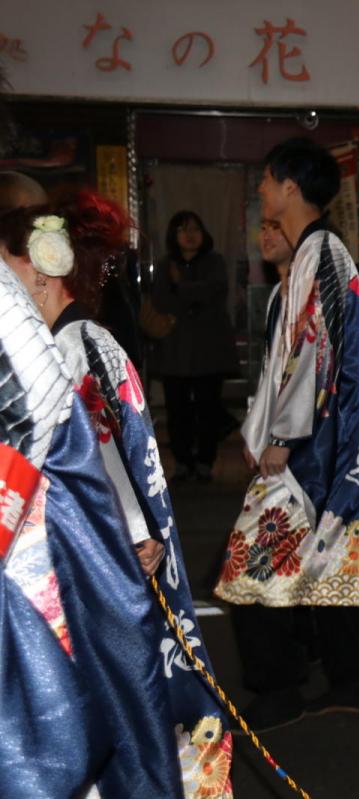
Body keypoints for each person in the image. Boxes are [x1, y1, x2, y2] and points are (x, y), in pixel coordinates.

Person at [1, 194, 234, 797]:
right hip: (99, 557)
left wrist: (129, 534)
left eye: (7, 264)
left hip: (103, 562)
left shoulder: (73, 346)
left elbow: (102, 457)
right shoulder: (74, 340)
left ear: (41, 266)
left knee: (108, 713)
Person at [214, 137, 359, 730]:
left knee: (245, 571)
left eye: (265, 179)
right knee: (323, 568)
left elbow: (320, 352)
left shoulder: (324, 254)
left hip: (313, 451)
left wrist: (283, 435)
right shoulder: (314, 255)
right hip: (313, 446)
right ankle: (354, 679)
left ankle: (278, 689)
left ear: (289, 186)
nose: (261, 189)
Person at [149, 210, 239, 483]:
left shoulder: (215, 262)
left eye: (195, 229)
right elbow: (161, 300)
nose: (189, 235)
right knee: (177, 411)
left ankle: (204, 462)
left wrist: (182, 288)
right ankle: (182, 461)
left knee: (208, 408)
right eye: (183, 230)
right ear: (173, 235)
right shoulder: (165, 265)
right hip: (175, 351)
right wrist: (187, 292)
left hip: (208, 350)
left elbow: (214, 293)